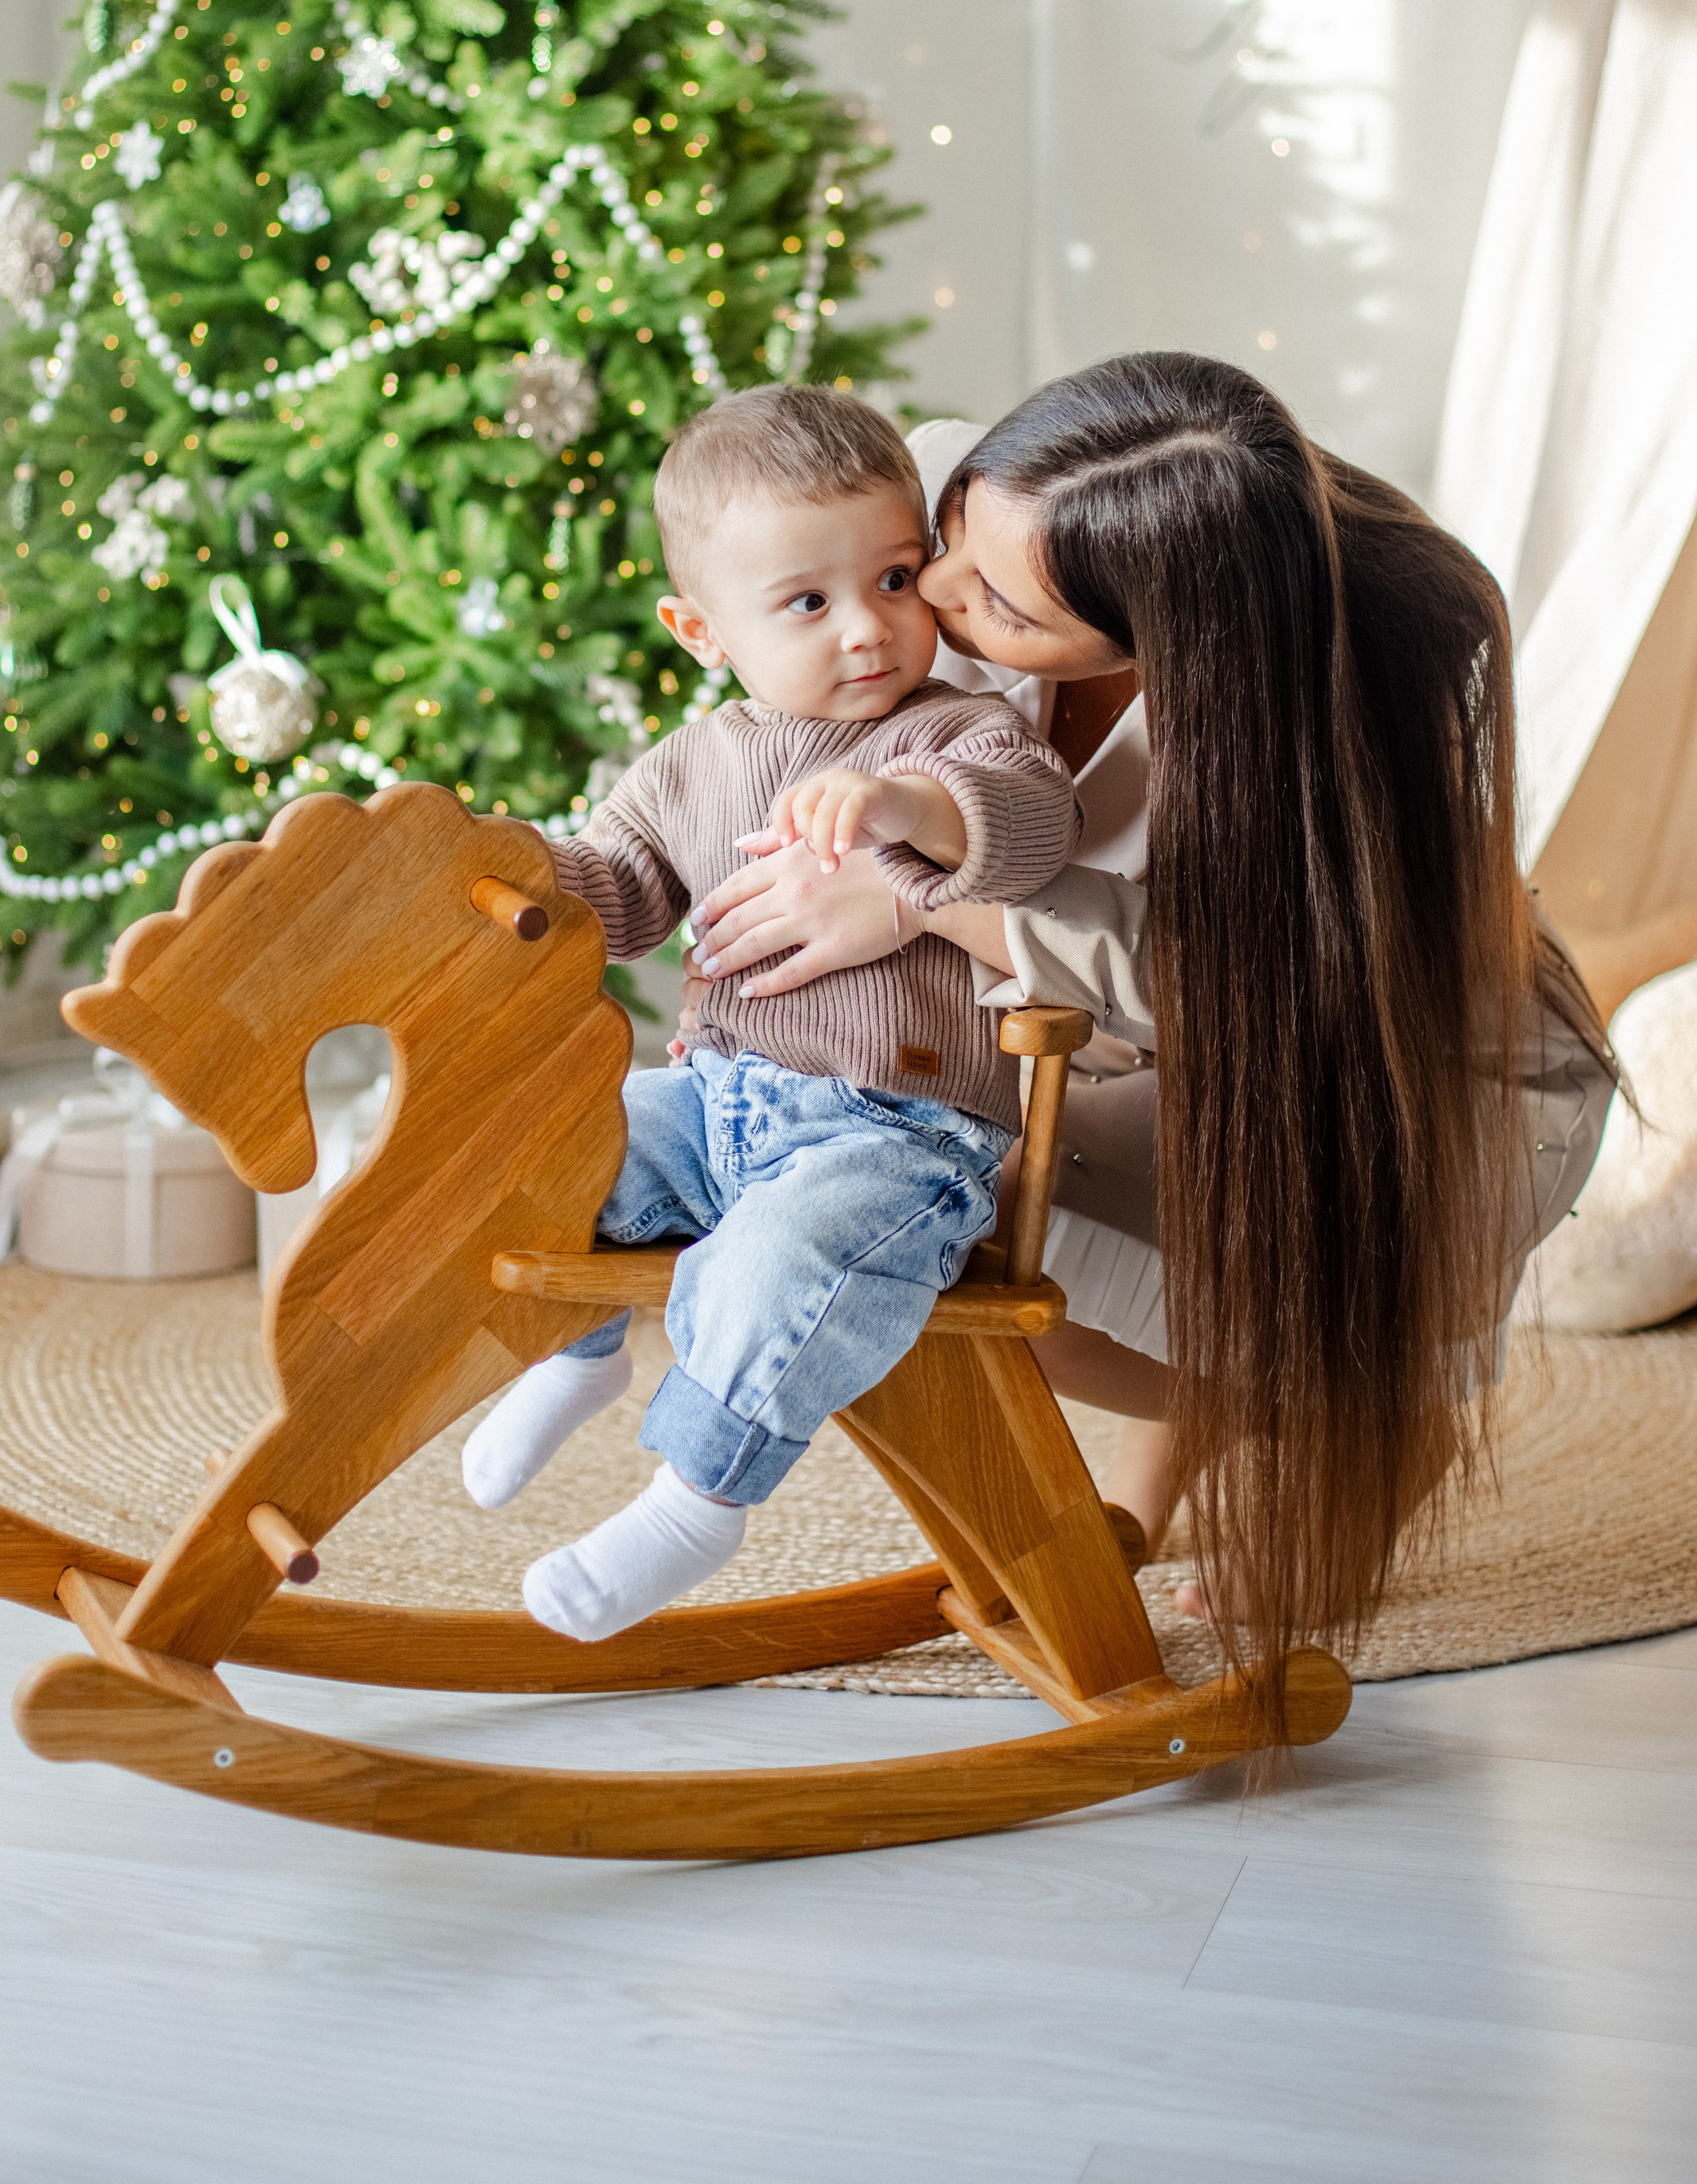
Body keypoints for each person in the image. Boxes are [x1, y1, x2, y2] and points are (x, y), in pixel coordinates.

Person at [688, 353, 1617, 1667]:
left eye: (994, 604)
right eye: (938, 549)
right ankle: (1190, 1439)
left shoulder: (1308, 746)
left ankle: (1352, 1412)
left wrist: (915, 898)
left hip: (1419, 1086)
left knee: (962, 1222)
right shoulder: (963, 503)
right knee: (887, 1174)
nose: (928, 603)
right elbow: (787, 669)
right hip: (1159, 1029)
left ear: (1162, 649)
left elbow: (1220, 988)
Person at [459, 381, 1081, 1645]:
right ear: (700, 628)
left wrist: (909, 810)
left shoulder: (961, 731)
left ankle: (695, 1496)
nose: (869, 630)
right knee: (542, 1143)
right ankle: (572, 1353)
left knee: (773, 1261)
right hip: (715, 1102)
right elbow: (618, 896)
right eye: (809, 601)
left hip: (898, 1135)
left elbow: (1030, 828)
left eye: (898, 578)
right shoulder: (692, 763)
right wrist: (518, 863)